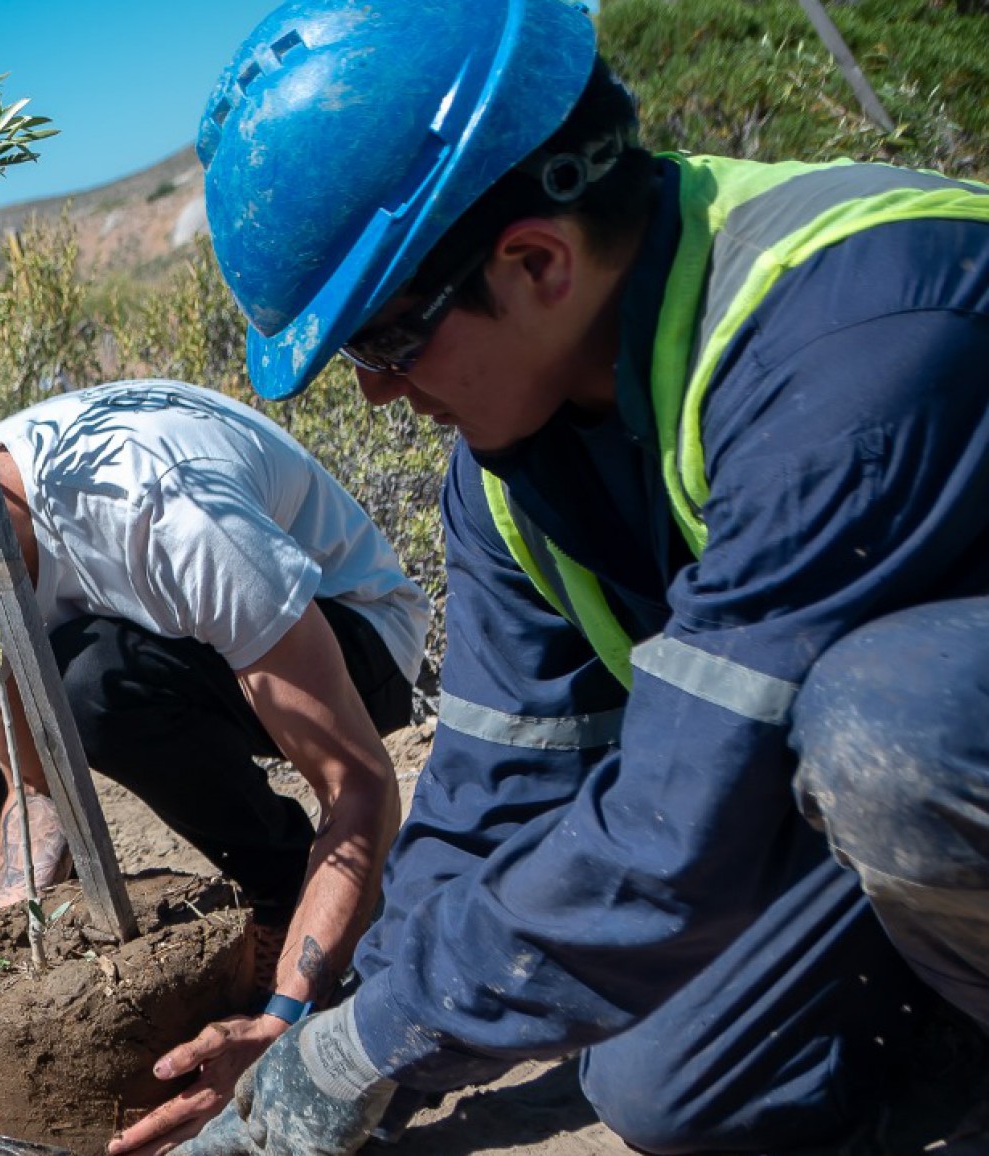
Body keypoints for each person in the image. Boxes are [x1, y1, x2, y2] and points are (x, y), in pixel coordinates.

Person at [159, 0, 989, 1153]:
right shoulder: (512, 466)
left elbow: (680, 835)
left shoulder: (851, 344)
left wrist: (371, 1046)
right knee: (663, 1078)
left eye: (384, 340)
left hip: (940, 751)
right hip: (917, 828)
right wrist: (346, 1036)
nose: (376, 393)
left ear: (537, 260)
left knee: (903, 728)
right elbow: (496, 792)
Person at [0, 378, 432, 1127]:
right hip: (156, 641)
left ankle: (280, 898)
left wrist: (283, 1021)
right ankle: (71, 912)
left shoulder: (159, 507)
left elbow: (358, 781)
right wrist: (17, 941)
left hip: (352, 639)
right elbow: (30, 782)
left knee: (91, 686)